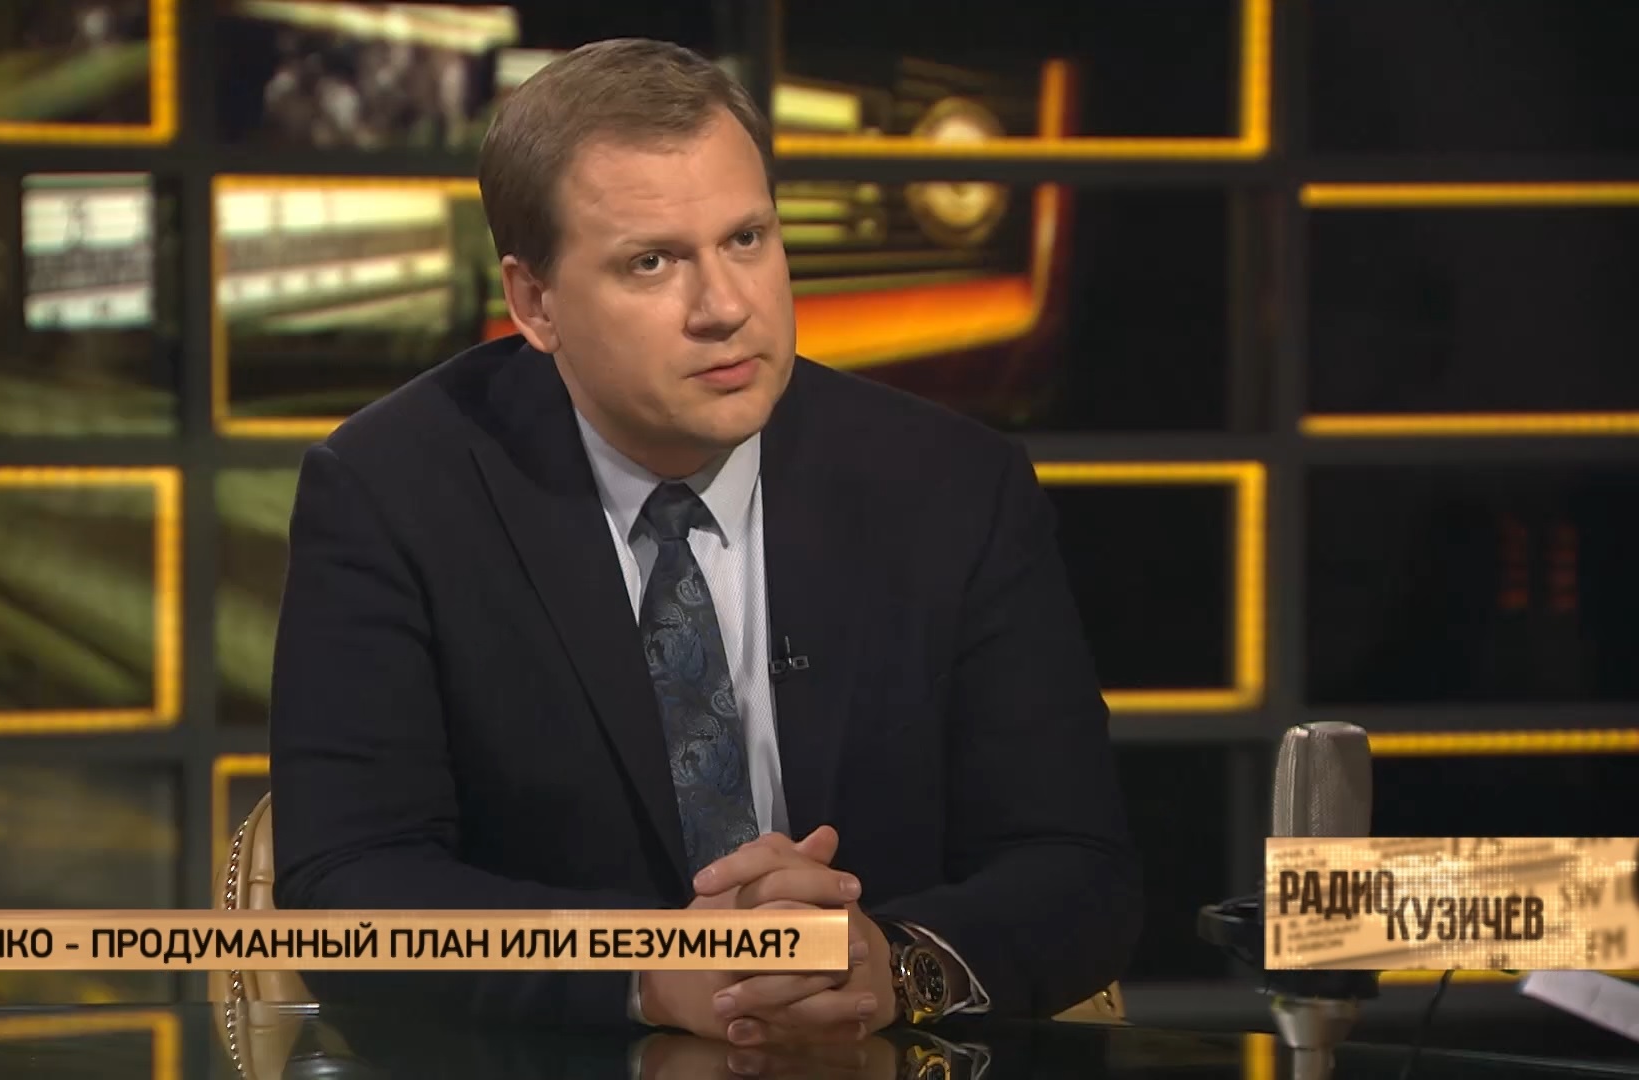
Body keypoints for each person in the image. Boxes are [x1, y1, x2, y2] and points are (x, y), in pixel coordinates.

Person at [269, 37, 1141, 1045]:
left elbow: (1078, 869)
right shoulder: (392, 494)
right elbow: (352, 892)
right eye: (653, 262)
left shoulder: (951, 486)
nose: (725, 308)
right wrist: (644, 969)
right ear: (535, 303)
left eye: (747, 240)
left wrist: (896, 964)